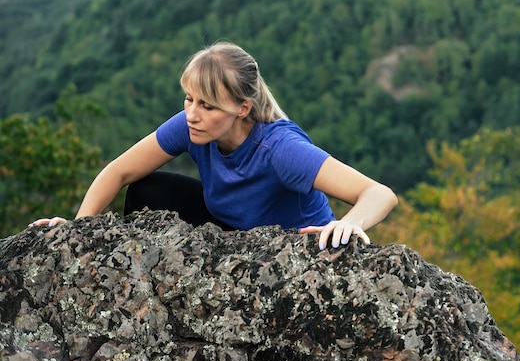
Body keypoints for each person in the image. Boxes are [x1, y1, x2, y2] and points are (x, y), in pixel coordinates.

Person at [30, 41, 398, 251]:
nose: (192, 113)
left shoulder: (280, 148)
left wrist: (348, 225)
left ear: (242, 109)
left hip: (295, 250)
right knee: (148, 188)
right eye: (189, 99)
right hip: (233, 233)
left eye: (206, 105)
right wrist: (77, 231)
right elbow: (119, 170)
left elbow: (379, 194)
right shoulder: (192, 126)